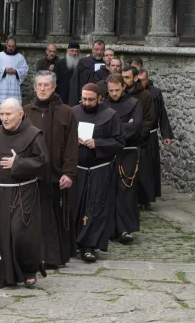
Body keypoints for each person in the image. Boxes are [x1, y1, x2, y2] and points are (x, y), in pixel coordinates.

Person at [0, 98, 47, 289]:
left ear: (20, 114)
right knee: (1, 232)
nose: (4, 118)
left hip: (24, 190)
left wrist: (19, 163)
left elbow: (43, 162)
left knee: (21, 232)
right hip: (0, 191)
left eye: (8, 114)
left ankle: (28, 271)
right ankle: (2, 275)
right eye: (1, 114)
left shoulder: (33, 134)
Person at [23, 71, 78, 268]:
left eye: (47, 85)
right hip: (33, 175)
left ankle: (55, 256)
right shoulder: (27, 112)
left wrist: (69, 172)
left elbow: (72, 145)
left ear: (54, 87)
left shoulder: (66, 112)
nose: (43, 88)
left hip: (57, 175)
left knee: (55, 217)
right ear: (35, 87)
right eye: (40, 85)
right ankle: (35, 256)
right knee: (34, 219)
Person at [71, 84, 124, 262]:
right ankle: (73, 243)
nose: (86, 103)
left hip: (99, 169)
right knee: (75, 206)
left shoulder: (110, 116)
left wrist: (98, 143)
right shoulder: (73, 112)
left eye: (91, 99)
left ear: (100, 98)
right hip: (77, 169)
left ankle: (89, 246)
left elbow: (119, 143)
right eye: (84, 99)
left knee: (95, 209)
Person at [105, 74, 143, 244]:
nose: (114, 93)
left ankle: (124, 229)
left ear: (123, 87)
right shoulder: (103, 105)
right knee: (107, 191)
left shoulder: (134, 104)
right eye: (111, 90)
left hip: (127, 152)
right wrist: (123, 126)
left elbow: (135, 128)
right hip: (107, 154)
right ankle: (109, 229)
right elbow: (100, 130)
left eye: (117, 90)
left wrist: (114, 132)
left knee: (125, 189)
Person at [121, 66, 155, 207]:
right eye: (122, 77)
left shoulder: (145, 95)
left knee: (139, 172)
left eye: (127, 77)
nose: (124, 80)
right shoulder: (120, 93)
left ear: (135, 78)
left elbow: (149, 118)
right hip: (121, 139)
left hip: (138, 140)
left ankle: (141, 200)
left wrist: (141, 134)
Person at [138, 68, 174, 198]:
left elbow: (162, 114)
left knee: (150, 167)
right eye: (139, 80)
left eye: (143, 80)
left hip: (151, 134)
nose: (141, 83)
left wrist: (166, 135)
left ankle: (149, 196)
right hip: (136, 135)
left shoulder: (155, 93)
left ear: (148, 79)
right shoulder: (132, 94)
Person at [0, 37, 29, 121]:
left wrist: (16, 71)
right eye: (9, 46)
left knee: (14, 106)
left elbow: (25, 70)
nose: (11, 48)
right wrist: (4, 70)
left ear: (15, 46)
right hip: (2, 86)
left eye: (13, 46)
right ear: (6, 45)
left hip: (14, 86)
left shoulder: (20, 57)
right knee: (2, 105)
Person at [68, 40, 106, 106]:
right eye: (96, 49)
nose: (99, 52)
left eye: (101, 50)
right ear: (92, 49)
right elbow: (75, 82)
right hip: (84, 98)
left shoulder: (107, 64)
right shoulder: (83, 62)